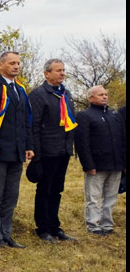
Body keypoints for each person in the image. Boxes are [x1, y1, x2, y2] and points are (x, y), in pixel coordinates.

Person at [0, 51, 34, 248]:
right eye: (12, 63)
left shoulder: (20, 89)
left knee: (12, 194)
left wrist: (29, 146)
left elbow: (26, 120)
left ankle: (6, 232)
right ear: (0, 65)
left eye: (18, 63)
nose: (16, 66)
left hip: (17, 151)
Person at [27, 59, 77, 243]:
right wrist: (37, 154)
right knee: (45, 190)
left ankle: (55, 227)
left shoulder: (66, 94)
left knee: (57, 190)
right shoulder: (39, 95)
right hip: (47, 151)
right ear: (47, 74)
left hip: (63, 150)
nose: (62, 73)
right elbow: (35, 126)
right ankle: (43, 228)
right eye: (58, 70)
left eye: (63, 70)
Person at [74, 86, 125, 235]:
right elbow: (82, 143)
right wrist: (88, 165)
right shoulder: (84, 115)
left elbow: (123, 140)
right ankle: (93, 225)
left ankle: (107, 224)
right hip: (96, 165)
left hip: (116, 164)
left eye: (105, 94)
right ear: (91, 98)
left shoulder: (115, 115)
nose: (104, 97)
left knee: (111, 197)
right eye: (100, 95)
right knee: (94, 197)